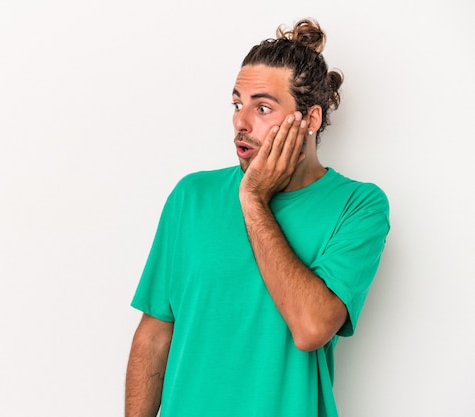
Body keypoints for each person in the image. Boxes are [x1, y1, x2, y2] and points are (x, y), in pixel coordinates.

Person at [125, 17, 390, 417]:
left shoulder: (358, 205)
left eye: (262, 107)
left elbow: (312, 327)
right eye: (237, 104)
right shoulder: (191, 197)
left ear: (310, 119)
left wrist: (253, 200)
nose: (240, 122)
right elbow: (155, 335)